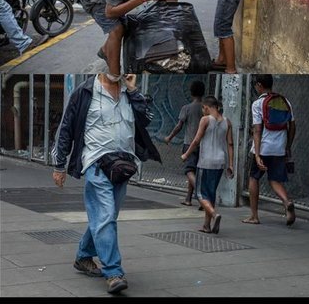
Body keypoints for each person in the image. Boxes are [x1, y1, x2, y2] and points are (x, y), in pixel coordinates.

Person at [51, 73, 161, 294]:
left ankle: (83, 256)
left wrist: (133, 91)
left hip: (124, 164)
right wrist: (59, 165)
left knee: (106, 217)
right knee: (105, 216)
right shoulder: (84, 91)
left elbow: (147, 119)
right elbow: (66, 128)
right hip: (96, 162)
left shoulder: (128, 92)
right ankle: (113, 272)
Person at [242, 74, 296, 226]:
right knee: (275, 179)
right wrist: (287, 146)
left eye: (255, 85)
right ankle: (287, 202)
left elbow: (257, 130)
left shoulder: (257, 103)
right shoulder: (285, 101)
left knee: (254, 178)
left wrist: (258, 154)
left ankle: (254, 216)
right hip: (279, 148)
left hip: (264, 147)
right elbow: (292, 126)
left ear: (259, 85)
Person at [181, 95, 234, 234]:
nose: (203, 111)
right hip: (220, 162)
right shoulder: (227, 122)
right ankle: (206, 225)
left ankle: (214, 214)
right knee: (210, 194)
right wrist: (231, 164)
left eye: (203, 108)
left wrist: (186, 154)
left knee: (200, 194)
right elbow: (230, 144)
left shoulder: (205, 120)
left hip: (206, 162)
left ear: (206, 107)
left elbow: (196, 140)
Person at [165, 80, 206, 207]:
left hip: (189, 144)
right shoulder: (205, 108)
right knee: (195, 172)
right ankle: (188, 198)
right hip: (203, 145)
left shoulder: (187, 108)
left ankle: (202, 197)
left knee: (189, 171)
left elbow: (179, 126)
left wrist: (170, 137)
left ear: (191, 93)